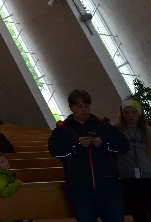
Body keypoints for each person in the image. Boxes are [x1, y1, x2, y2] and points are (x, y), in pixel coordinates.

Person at [48, 89, 129, 222]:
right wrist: (76, 143)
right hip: (79, 189)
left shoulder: (103, 126)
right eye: (79, 106)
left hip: (108, 187)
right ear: (71, 107)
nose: (84, 109)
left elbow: (124, 145)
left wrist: (103, 143)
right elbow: (54, 150)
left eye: (86, 105)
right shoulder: (63, 129)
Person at [117, 98, 151, 222]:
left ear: (139, 114)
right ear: (122, 114)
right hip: (128, 178)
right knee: (139, 214)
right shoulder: (117, 130)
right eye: (126, 112)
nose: (130, 116)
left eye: (133, 112)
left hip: (148, 176)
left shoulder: (146, 131)